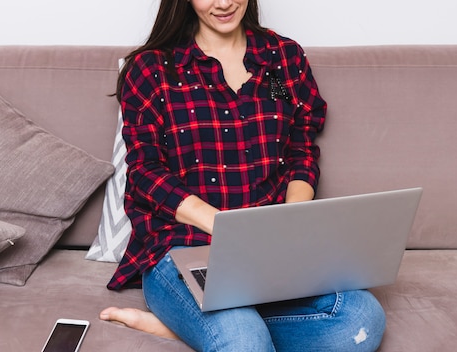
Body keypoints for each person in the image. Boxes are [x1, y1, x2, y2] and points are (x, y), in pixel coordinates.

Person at [100, 0, 387, 350]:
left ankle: (182, 330)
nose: (223, 3)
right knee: (243, 340)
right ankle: (220, 330)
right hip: (182, 247)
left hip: (269, 249)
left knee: (360, 321)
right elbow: (146, 172)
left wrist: (290, 216)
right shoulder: (152, 69)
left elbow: (301, 147)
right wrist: (228, 229)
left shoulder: (282, 58)